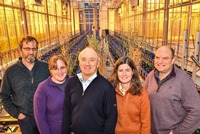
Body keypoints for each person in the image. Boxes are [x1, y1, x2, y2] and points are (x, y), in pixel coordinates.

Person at [144, 45, 200, 134]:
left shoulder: (184, 80)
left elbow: (196, 111)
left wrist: (177, 132)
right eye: (157, 57)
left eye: (165, 58)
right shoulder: (151, 75)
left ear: (173, 60)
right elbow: (143, 100)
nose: (160, 61)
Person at [62, 46, 117, 134]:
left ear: (98, 63)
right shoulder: (71, 83)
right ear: (79, 63)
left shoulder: (106, 87)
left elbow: (111, 119)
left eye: (92, 60)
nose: (87, 63)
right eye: (83, 59)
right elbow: (66, 113)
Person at [0, 36, 50, 134]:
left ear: (37, 50)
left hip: (46, 117)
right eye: (27, 49)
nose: (31, 52)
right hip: (26, 121)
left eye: (34, 49)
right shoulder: (11, 72)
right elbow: (4, 96)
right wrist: (18, 115)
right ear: (20, 50)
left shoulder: (46, 68)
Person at [109, 56, 150, 134]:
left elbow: (146, 123)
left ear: (132, 72)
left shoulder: (142, 93)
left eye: (127, 70)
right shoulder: (109, 92)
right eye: (121, 70)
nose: (124, 74)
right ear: (116, 73)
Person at [34, 54, 70, 134]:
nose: (60, 72)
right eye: (55, 69)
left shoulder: (74, 83)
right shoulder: (43, 88)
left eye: (62, 68)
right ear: (50, 70)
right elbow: (40, 117)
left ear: (67, 67)